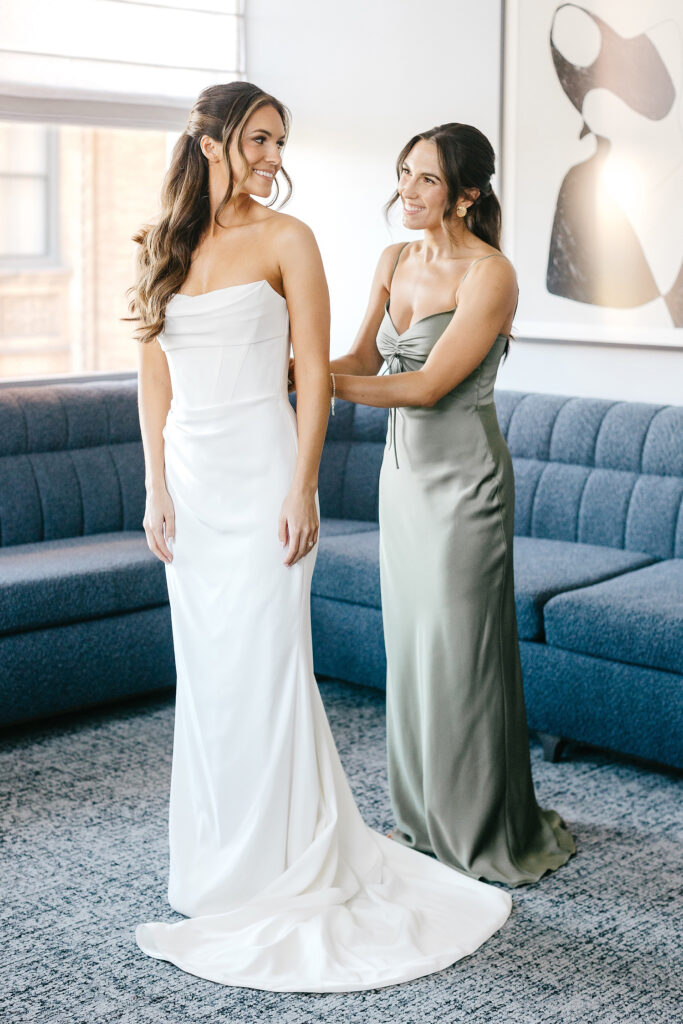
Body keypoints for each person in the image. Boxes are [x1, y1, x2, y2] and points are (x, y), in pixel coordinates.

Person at [129, 84, 511, 993]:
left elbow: (314, 375)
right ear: (211, 140)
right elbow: (152, 377)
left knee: (266, 665)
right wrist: (153, 487)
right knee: (210, 674)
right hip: (189, 478)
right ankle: (218, 862)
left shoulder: (287, 240)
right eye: (258, 139)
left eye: (279, 141)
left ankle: (284, 862)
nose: (272, 156)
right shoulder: (157, 245)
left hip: (264, 476)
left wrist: (302, 484)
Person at [325, 123, 576, 886]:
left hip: (464, 485)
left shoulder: (489, 275)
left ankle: (477, 826)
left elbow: (425, 386)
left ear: (467, 193)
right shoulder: (392, 259)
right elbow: (364, 359)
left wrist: (310, 388)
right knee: (412, 649)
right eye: (403, 173)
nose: (407, 189)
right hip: (400, 485)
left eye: (426, 179)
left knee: (461, 654)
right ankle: (423, 818)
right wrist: (292, 363)